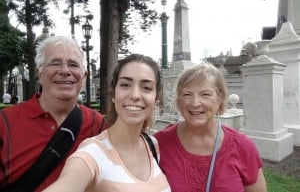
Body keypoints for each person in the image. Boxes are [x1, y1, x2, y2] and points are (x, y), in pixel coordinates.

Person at [43, 54, 171, 192]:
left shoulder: (152, 146)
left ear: (156, 99)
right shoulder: (93, 153)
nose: (135, 95)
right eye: (125, 85)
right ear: (114, 94)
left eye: (146, 87)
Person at [0, 36, 107, 192]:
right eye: (55, 63)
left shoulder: (97, 125)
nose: (65, 71)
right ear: (39, 72)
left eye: (73, 64)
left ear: (84, 76)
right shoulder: (5, 123)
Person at [154, 62, 267, 192]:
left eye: (205, 94)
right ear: (179, 100)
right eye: (187, 94)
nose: (195, 103)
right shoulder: (159, 144)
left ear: (220, 98)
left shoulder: (243, 147)